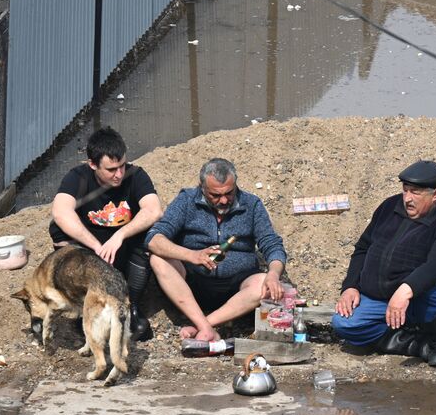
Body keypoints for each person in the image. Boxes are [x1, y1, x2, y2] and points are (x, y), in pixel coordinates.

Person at [332, 160, 436, 367]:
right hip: (382, 297)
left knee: (433, 288)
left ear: (435, 195)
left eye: (415, 193)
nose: (407, 198)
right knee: (344, 323)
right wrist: (350, 285)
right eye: (405, 191)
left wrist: (405, 290)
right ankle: (415, 344)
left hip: (426, 299)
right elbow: (363, 248)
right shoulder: (389, 207)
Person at [144, 158, 288, 343]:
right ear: (202, 187)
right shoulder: (187, 200)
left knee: (263, 284)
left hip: (238, 288)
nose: (224, 200)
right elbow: (154, 239)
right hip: (192, 284)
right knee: (158, 259)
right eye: (215, 195)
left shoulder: (251, 204)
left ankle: (202, 326)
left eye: (229, 193)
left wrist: (274, 274)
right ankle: (204, 326)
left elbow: (272, 244)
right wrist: (192, 255)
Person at [48, 127, 165, 342]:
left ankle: (132, 306)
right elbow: (60, 211)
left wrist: (119, 236)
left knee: (152, 233)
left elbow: (153, 209)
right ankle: (85, 307)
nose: (119, 174)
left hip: (123, 251)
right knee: (58, 230)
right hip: (91, 253)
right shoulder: (78, 178)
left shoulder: (135, 176)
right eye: (111, 169)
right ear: (92, 164)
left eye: (121, 166)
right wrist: (94, 245)